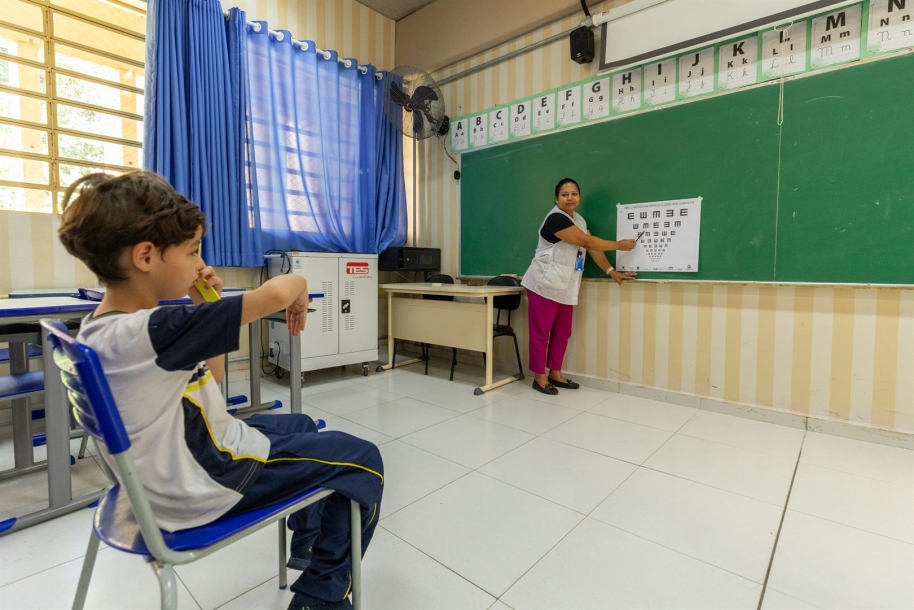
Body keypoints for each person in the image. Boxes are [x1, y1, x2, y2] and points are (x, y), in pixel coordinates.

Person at [57, 171, 382, 610]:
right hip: (208, 483)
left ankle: (307, 543)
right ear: (146, 255)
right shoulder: (155, 331)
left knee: (301, 422)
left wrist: (200, 300)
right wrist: (300, 282)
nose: (198, 264)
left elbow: (210, 382)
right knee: (362, 459)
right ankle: (321, 598)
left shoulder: (106, 330)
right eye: (192, 251)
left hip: (169, 475)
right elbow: (274, 295)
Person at [521, 178, 637, 395]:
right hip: (544, 284)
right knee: (541, 334)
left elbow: (592, 249)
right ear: (557, 199)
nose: (570, 198)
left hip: (566, 286)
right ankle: (540, 377)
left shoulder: (580, 221)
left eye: (574, 193)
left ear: (579, 197)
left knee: (563, 332)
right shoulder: (556, 218)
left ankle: (555, 373)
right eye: (565, 194)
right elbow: (587, 242)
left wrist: (611, 271)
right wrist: (619, 245)